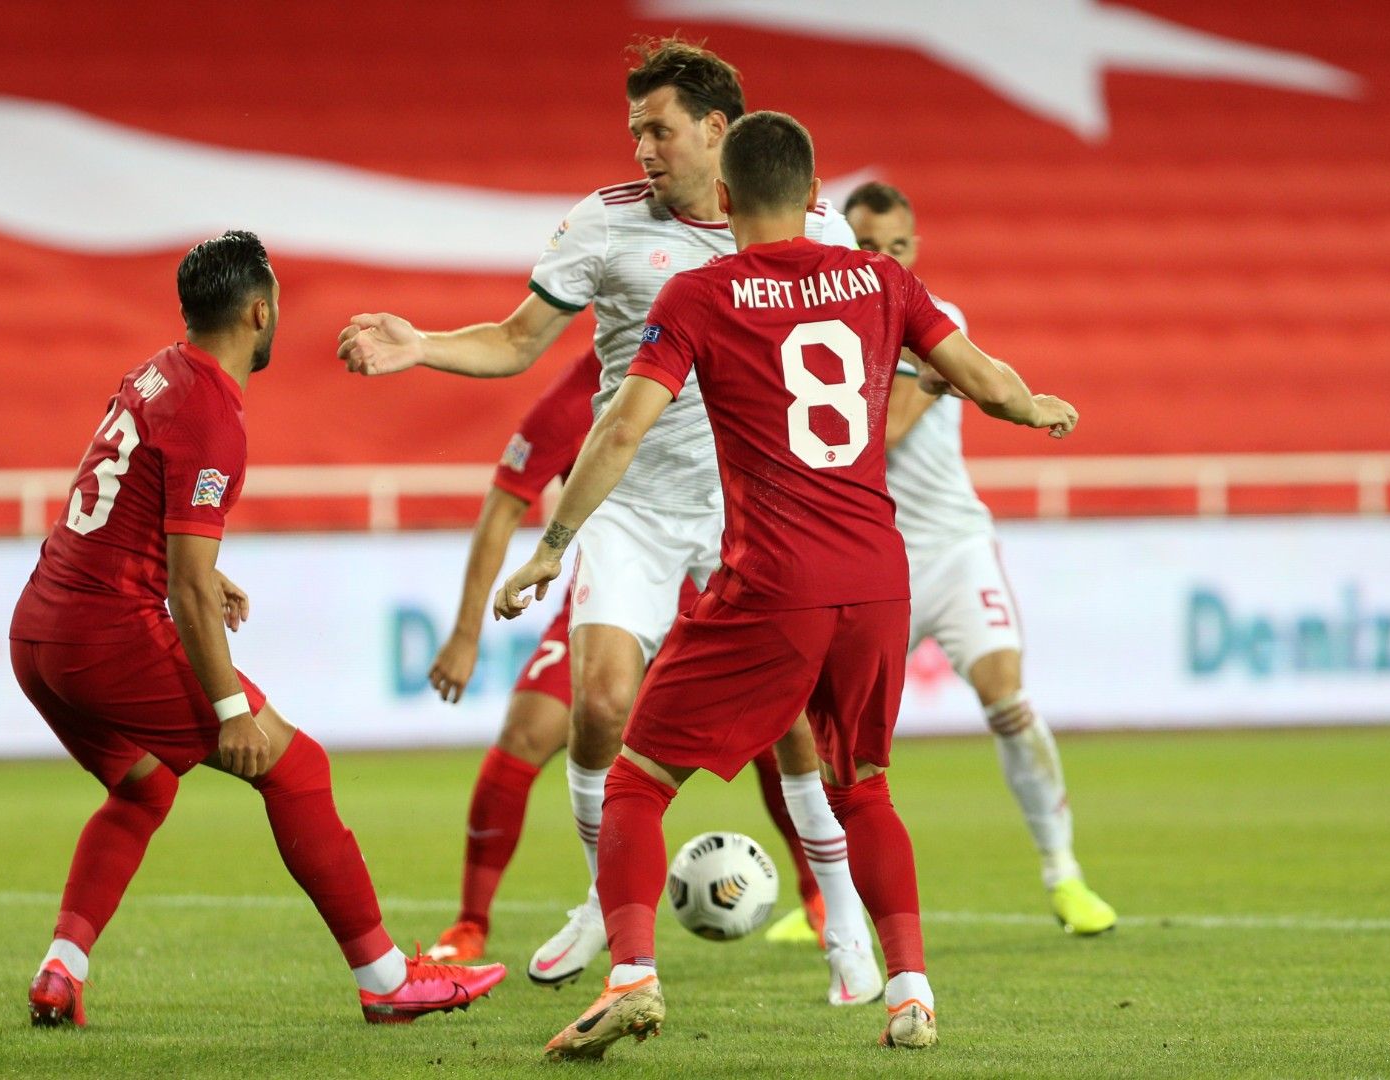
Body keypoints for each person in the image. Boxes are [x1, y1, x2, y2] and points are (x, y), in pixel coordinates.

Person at [492, 112, 1077, 1058]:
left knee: (636, 778)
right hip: (879, 577)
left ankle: (632, 975)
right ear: (816, 198)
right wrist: (1034, 405)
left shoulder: (699, 292)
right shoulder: (882, 278)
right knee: (867, 787)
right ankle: (910, 990)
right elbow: (976, 374)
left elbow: (623, 430)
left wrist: (556, 541)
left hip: (775, 579)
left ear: (724, 199)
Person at [340, 38, 876, 1002]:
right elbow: (515, 343)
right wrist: (420, 344)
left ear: (718, 131)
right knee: (597, 706)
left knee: (794, 725)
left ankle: (844, 927)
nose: (641, 148)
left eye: (658, 129)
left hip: (749, 508)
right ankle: (604, 900)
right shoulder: (605, 223)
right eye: (634, 130)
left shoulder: (812, 227)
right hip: (629, 507)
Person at [8, 230, 505, 1027]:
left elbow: (129, 511)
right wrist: (230, 710)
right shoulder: (214, 413)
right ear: (258, 311)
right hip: (106, 635)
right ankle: (385, 979)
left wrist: (202, 572)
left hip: (37, 631)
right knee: (296, 767)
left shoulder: (156, 372)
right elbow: (185, 591)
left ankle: (60, 970)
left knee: (144, 788)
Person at [422, 349, 828, 962]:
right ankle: (473, 923)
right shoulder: (578, 393)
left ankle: (823, 902)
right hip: (613, 590)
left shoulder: (730, 361)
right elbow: (505, 501)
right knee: (527, 733)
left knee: (784, 726)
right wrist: (464, 630)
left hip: (711, 589)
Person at [847, 182, 1117, 935]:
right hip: (870, 561)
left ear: (914, 249)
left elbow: (889, 429)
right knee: (829, 736)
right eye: (867, 246)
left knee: (1007, 697)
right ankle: (827, 897)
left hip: (953, 545)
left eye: (896, 247)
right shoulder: (826, 323)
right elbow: (871, 434)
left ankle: (1064, 875)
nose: (882, 260)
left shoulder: (934, 316)